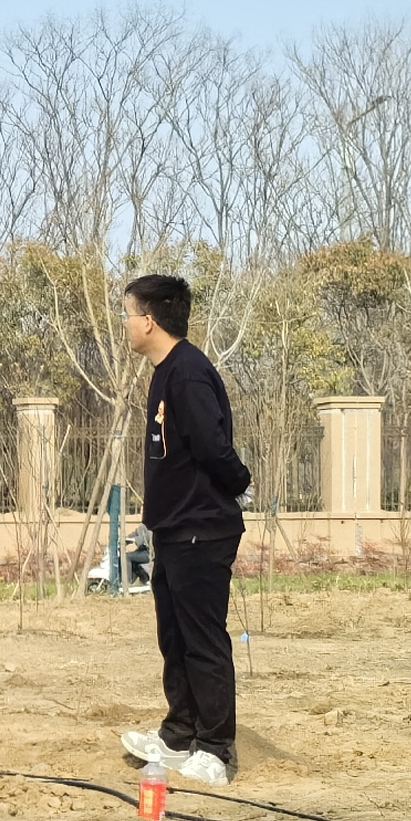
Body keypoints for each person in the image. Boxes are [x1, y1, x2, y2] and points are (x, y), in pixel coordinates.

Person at [113, 276, 249, 792]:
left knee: (203, 641)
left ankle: (215, 749)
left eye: (128, 315)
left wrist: (240, 483)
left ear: (149, 321)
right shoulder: (164, 373)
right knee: (174, 637)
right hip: (173, 530)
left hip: (201, 529)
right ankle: (179, 735)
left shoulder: (188, 374)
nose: (126, 325)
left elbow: (214, 448)